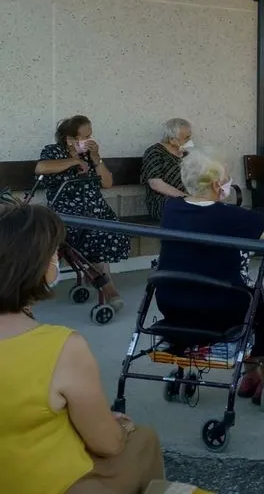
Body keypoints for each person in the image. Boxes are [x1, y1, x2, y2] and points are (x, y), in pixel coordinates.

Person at [0, 203, 165, 494]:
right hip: (54, 482)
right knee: (143, 440)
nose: (57, 260)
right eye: (53, 254)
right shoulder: (61, 347)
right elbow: (107, 443)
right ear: (34, 266)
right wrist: (120, 427)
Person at [155, 149, 264, 405]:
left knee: (254, 310)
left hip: (173, 302)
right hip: (222, 308)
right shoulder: (230, 216)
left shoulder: (171, 209)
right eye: (228, 177)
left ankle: (250, 378)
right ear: (218, 185)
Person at [35, 115, 131, 310]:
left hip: (97, 210)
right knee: (95, 233)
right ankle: (109, 289)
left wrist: (97, 159)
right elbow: (41, 167)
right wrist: (73, 162)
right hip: (67, 211)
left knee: (109, 228)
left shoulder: (89, 155)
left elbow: (107, 183)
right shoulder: (53, 151)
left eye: (90, 136)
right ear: (69, 138)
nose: (89, 141)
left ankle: (97, 277)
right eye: (84, 137)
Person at [141, 118, 192, 221]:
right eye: (186, 138)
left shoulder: (186, 155)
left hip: (188, 200)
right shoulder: (155, 152)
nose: (189, 141)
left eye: (189, 137)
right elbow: (155, 183)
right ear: (172, 139)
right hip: (163, 202)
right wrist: (185, 197)